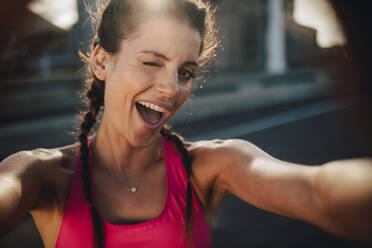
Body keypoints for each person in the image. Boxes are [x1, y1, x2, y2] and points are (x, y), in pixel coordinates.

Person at [0, 0, 371, 247]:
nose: (171, 89)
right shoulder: (42, 174)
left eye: (187, 71)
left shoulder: (210, 167)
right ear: (101, 61)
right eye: (151, 62)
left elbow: (318, 193)